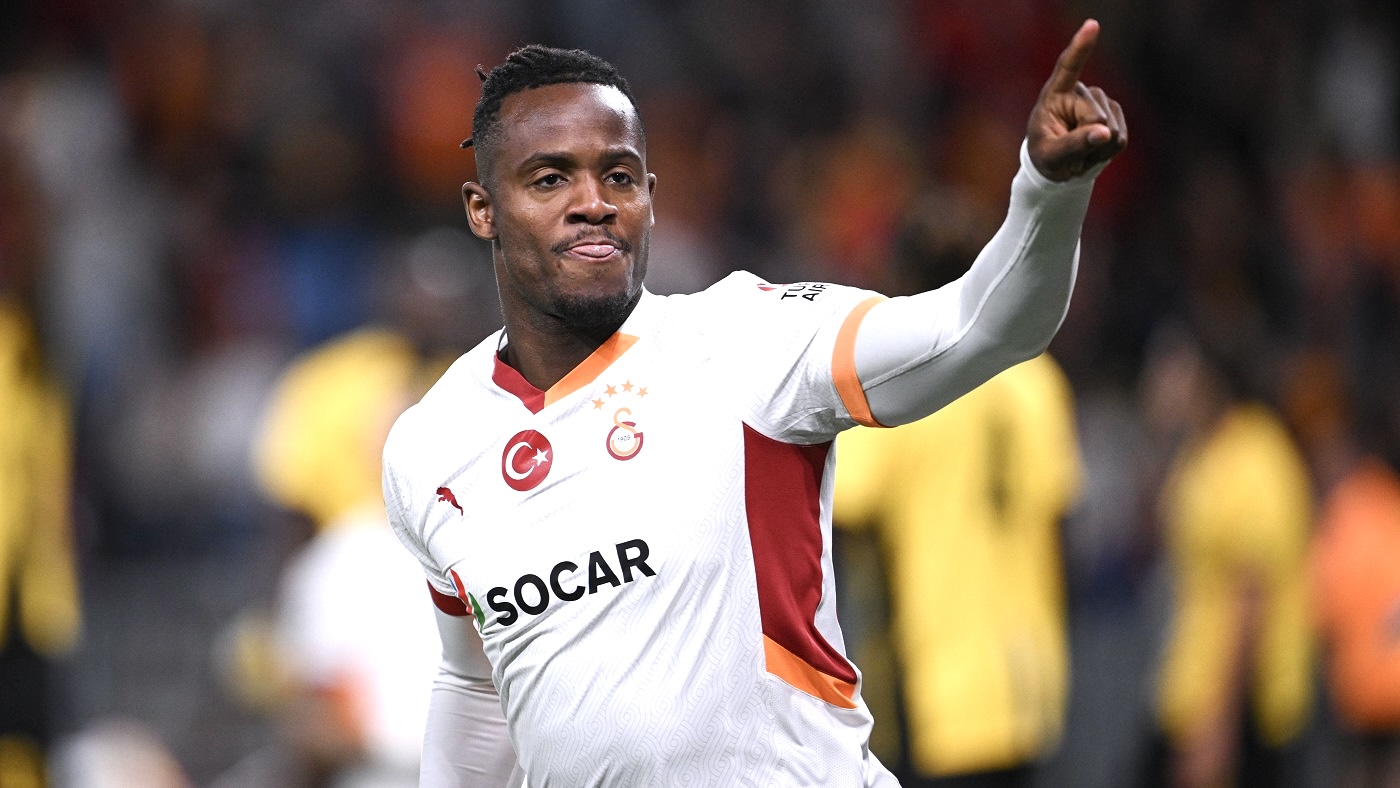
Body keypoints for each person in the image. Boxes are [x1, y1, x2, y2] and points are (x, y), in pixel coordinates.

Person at [382, 21, 1125, 786]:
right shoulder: (431, 447)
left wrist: (1048, 192)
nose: (593, 203)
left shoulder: (748, 341)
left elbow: (982, 326)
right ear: (482, 209)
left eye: (620, 176)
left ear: (650, 198)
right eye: (549, 180)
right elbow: (475, 682)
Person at [834, 351, 1080, 788]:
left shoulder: (906, 379)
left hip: (935, 691)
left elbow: (843, 498)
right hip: (1029, 684)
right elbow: (1061, 527)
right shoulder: (1037, 378)